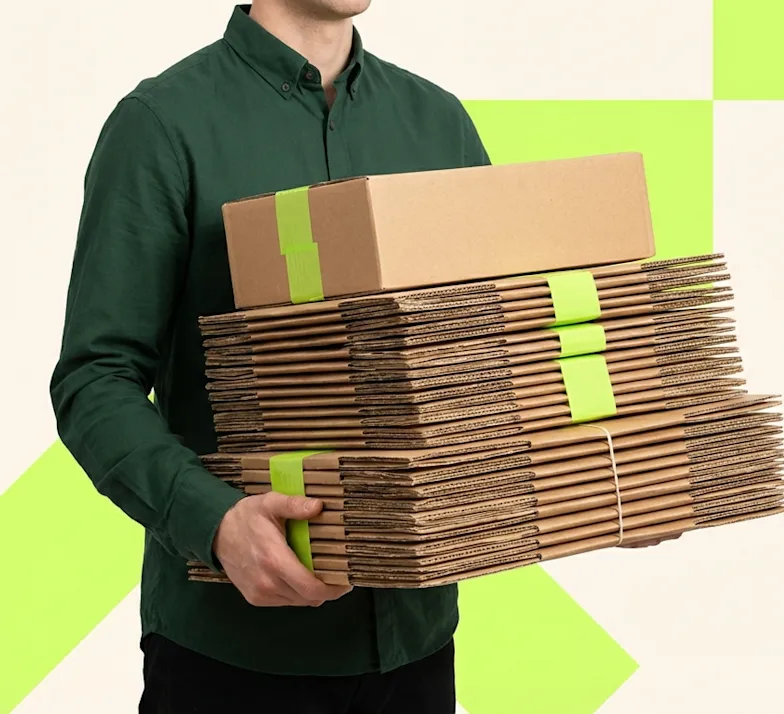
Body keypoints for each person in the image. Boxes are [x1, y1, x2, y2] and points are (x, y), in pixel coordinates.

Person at [50, 2, 673, 712]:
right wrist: (214, 522)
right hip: (229, 659)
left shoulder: (436, 123)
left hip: (417, 649)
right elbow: (95, 380)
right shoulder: (162, 123)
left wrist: (610, 477)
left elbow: (494, 358)